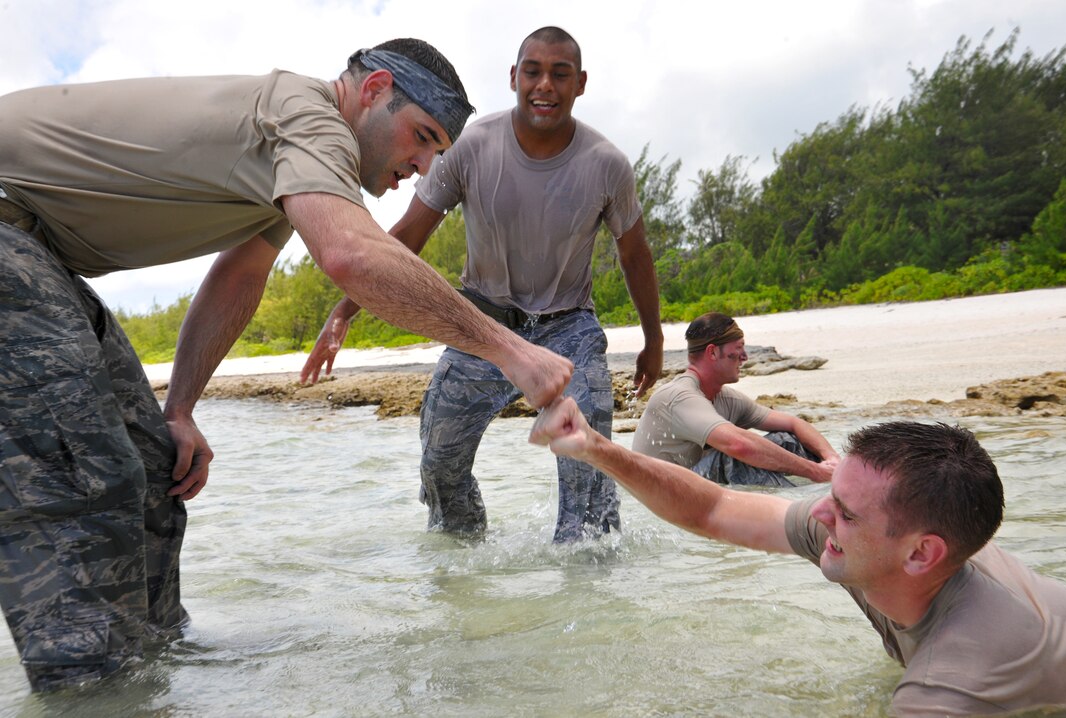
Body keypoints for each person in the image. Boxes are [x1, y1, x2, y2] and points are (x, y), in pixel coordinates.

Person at [0, 39, 577, 692]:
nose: (419, 166)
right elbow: (351, 255)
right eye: (421, 138)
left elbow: (240, 276)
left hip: (38, 253)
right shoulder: (307, 114)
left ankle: (154, 671)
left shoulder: (287, 161)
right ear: (374, 90)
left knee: (150, 461)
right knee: (85, 481)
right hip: (9, 234)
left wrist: (181, 409)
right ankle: (90, 696)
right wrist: (511, 350)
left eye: (436, 154)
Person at [301, 27, 664, 543]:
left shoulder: (606, 165)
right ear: (513, 77)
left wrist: (654, 340)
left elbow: (635, 255)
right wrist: (344, 311)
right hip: (482, 328)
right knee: (439, 462)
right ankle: (463, 566)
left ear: (580, 84)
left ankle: (589, 588)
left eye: (560, 74)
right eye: (533, 71)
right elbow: (407, 235)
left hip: (570, 331)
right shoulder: (470, 146)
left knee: (590, 470)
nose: (545, 85)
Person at [531, 399, 1066, 715]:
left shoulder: (951, 679)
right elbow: (716, 508)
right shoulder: (880, 549)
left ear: (922, 554)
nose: (821, 517)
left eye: (846, 512)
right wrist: (598, 448)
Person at [632, 312, 839, 486]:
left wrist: (832, 459)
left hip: (696, 489)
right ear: (712, 352)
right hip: (666, 496)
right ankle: (800, 513)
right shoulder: (680, 396)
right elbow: (738, 445)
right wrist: (814, 471)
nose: (745, 357)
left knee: (785, 440)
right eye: (738, 348)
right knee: (736, 457)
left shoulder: (727, 398)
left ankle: (832, 490)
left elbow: (794, 423)